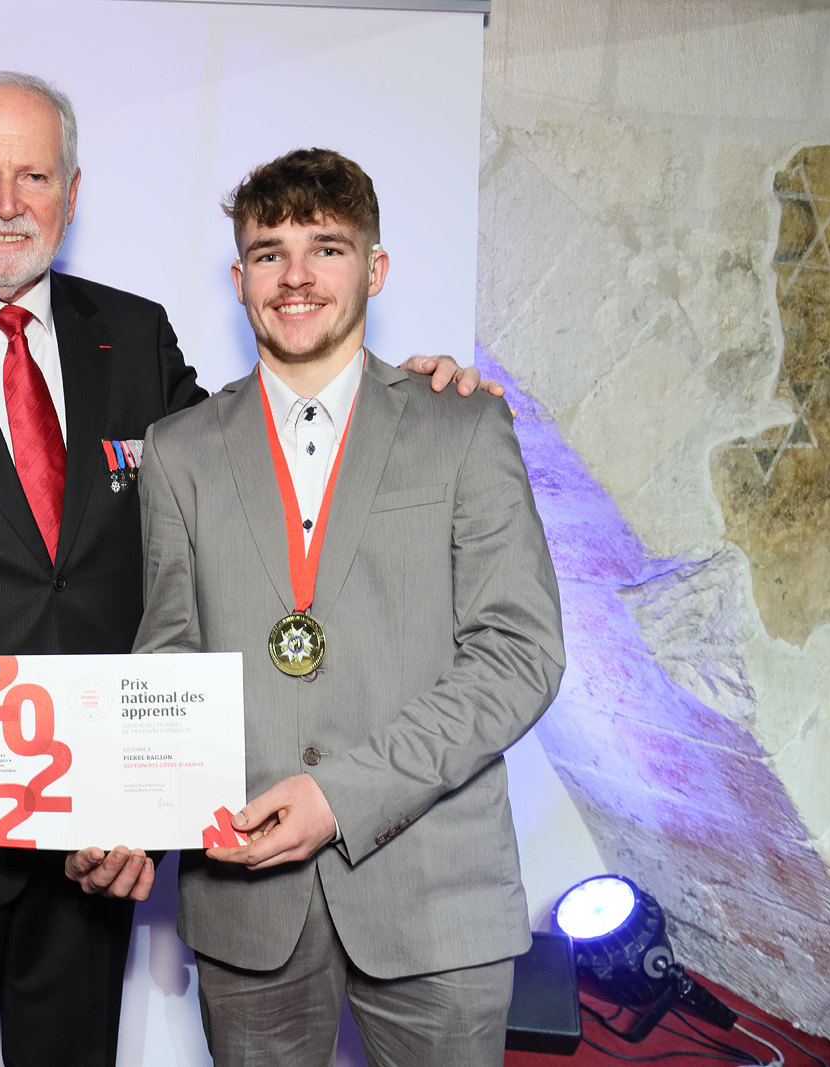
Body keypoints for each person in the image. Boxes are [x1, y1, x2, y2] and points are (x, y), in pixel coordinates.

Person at [0, 72, 495, 1067]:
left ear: (71, 194)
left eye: (35, 176)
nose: (6, 202)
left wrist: (402, 394)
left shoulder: (132, 332)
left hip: (98, 828)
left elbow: (247, 460)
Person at [109, 146, 565, 1066]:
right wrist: (129, 812)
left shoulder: (463, 422)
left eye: (327, 248)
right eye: (269, 253)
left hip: (436, 896)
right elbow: (169, 658)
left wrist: (340, 796)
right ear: (239, 280)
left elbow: (519, 654)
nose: (296, 276)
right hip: (247, 901)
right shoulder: (179, 449)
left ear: (375, 268)